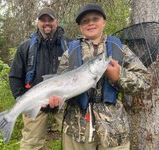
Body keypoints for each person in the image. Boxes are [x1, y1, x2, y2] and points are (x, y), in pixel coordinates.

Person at [49, 3, 151, 150]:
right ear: (80, 27)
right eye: (85, 21)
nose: (90, 23)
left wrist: (119, 76)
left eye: (95, 19)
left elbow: (145, 81)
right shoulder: (69, 53)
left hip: (114, 131)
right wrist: (56, 101)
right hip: (76, 131)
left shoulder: (120, 49)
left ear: (104, 22)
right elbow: (60, 85)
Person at [9, 7, 71, 150]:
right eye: (43, 20)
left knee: (74, 141)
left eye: (50, 19)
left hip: (65, 102)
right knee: (31, 144)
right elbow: (14, 76)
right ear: (38, 22)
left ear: (57, 21)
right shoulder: (25, 47)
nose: (47, 23)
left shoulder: (70, 45)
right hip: (35, 103)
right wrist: (21, 100)